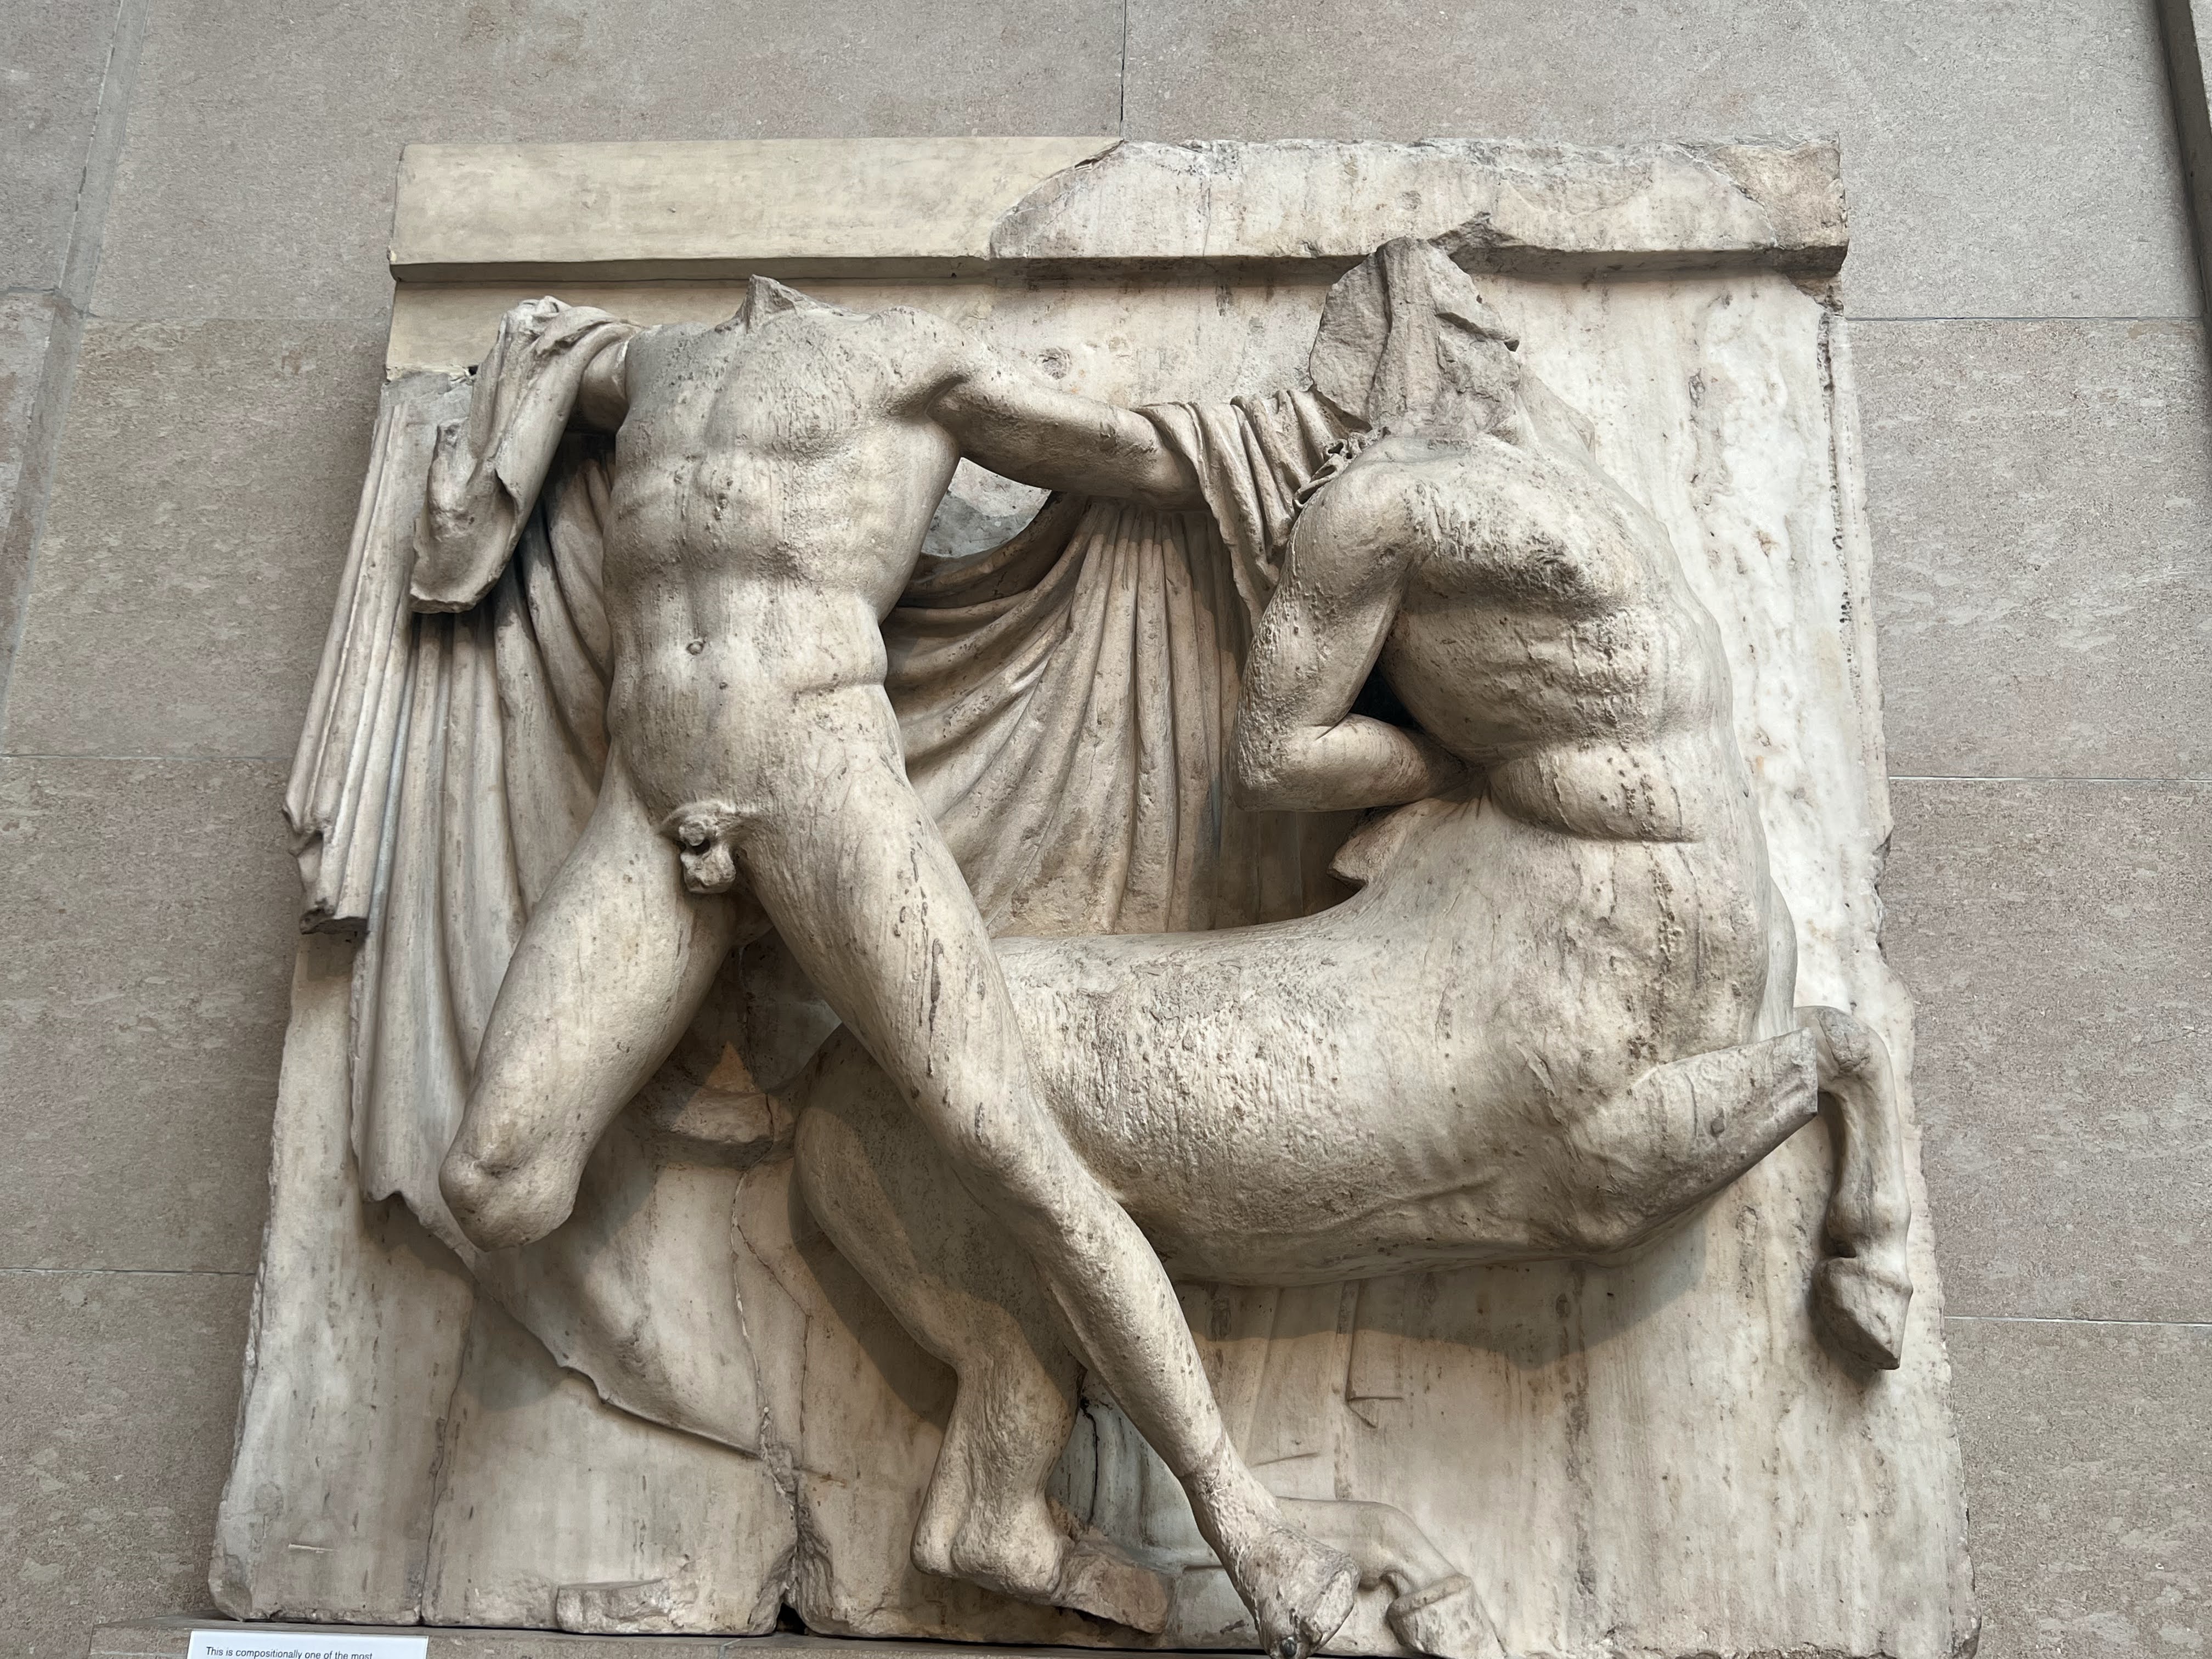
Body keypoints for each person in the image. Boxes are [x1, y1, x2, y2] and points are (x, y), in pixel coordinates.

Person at [409, 276, 1361, 1658]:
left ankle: (1241, 1514)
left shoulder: (909, 360)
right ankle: (771, 1448)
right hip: (650, 792)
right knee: (497, 1184)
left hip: (819, 776)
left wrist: (1309, 434)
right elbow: (532, 388)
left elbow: (1137, 457)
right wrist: (519, 382)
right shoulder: (648, 366)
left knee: (1005, 1138)